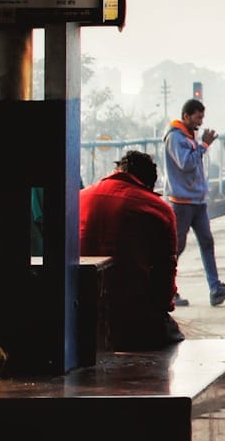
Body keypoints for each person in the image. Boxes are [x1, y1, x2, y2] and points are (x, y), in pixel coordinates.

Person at [78, 150, 183, 350]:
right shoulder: (157, 208)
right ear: (149, 183)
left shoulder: (79, 198)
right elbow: (166, 270)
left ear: (117, 170)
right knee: (172, 338)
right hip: (132, 313)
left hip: (80, 310)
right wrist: (163, 310)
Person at [164, 98, 225, 307]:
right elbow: (186, 164)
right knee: (176, 248)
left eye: (202, 117)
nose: (200, 122)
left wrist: (201, 145)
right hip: (181, 202)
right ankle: (166, 291)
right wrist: (204, 146)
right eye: (197, 117)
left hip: (197, 201)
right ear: (186, 116)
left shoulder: (190, 137)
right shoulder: (175, 138)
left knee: (207, 242)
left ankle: (215, 288)